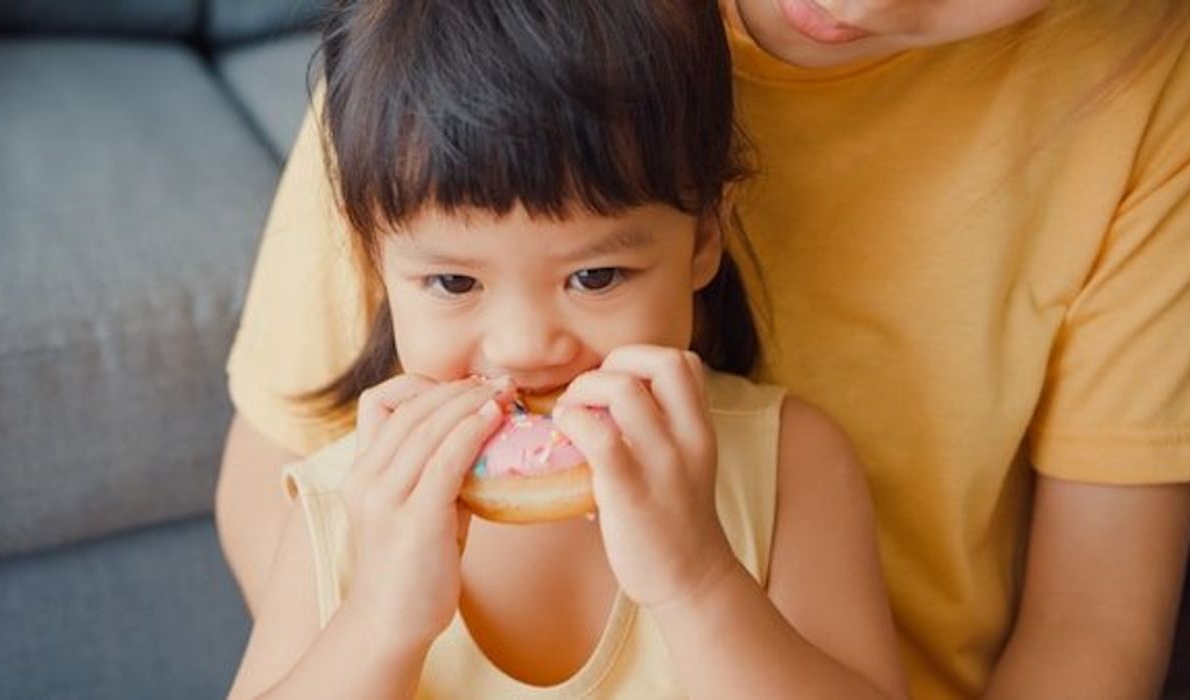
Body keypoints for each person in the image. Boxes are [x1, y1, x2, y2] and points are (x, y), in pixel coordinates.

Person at [218, 0, 1190, 698]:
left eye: (595, 276)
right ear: (370, 257)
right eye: (454, 284)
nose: (525, 347)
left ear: (704, 239)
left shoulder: (785, 464)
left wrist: (696, 581)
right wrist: (381, 620)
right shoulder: (342, 500)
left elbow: (1095, 622)